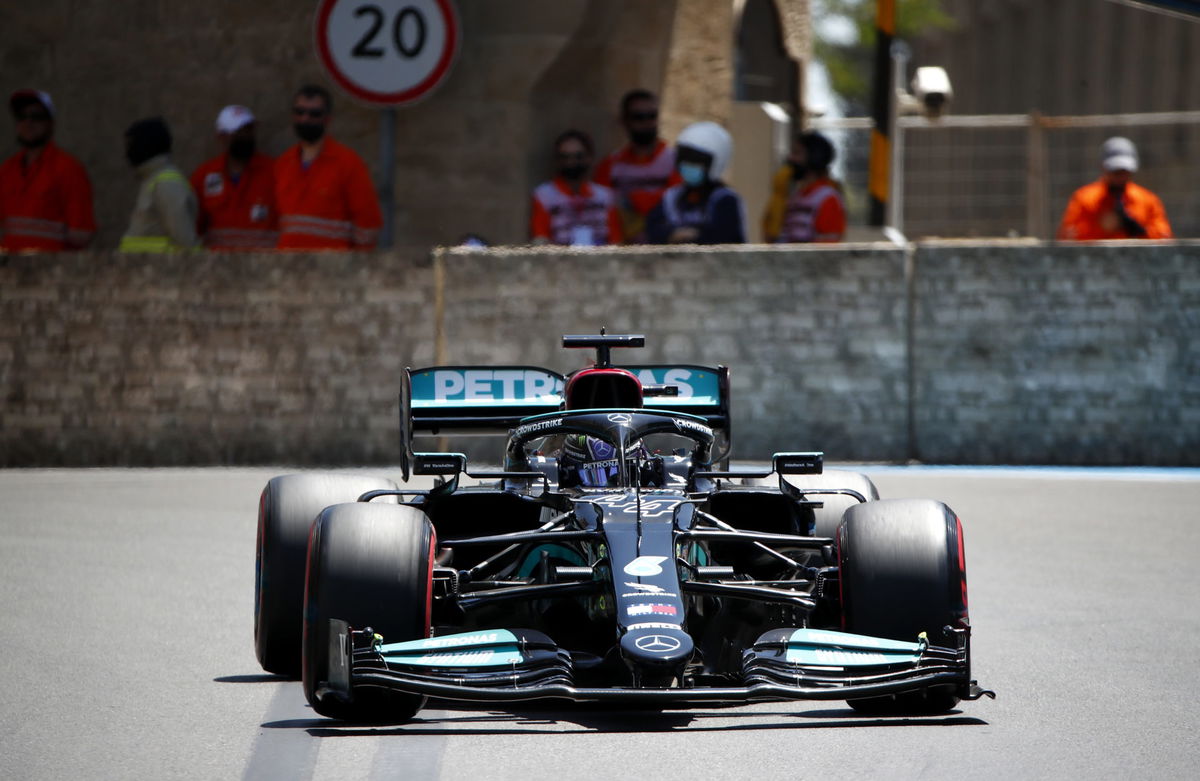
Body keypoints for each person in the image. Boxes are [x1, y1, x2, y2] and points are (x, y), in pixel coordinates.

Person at [274, 85, 382, 250]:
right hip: (287, 268)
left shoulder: (348, 163)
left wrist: (357, 266)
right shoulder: (283, 164)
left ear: (327, 119)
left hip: (331, 269)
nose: (305, 119)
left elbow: (367, 222)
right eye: (300, 112)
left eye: (314, 114)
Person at [0, 89, 95, 251]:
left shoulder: (68, 169)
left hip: (50, 270)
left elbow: (82, 233)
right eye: (22, 117)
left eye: (36, 117)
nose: (28, 123)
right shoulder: (6, 170)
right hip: (9, 269)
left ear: (50, 123)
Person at [593, 89, 681, 243]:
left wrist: (636, 199)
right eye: (638, 117)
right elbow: (602, 210)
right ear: (624, 121)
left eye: (652, 116)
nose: (646, 122)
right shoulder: (610, 166)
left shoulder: (675, 161)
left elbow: (677, 201)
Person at [189, 105, 278, 250]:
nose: (246, 136)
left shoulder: (274, 171)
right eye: (238, 132)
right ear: (222, 136)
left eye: (249, 130)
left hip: (264, 269)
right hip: (217, 268)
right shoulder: (204, 175)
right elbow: (193, 228)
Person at [645, 121, 745, 245]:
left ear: (716, 163)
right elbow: (653, 229)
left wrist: (690, 236)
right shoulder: (672, 197)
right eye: (684, 157)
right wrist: (673, 235)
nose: (688, 164)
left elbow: (722, 237)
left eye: (696, 160)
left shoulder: (725, 199)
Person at [1057, 137, 1172, 241]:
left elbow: (1164, 237)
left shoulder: (1147, 201)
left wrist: (1140, 231)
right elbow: (1067, 238)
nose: (1119, 177)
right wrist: (1103, 228)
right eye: (1115, 172)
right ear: (1103, 168)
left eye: (1124, 172)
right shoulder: (1084, 199)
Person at [529, 129, 622, 246]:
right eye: (564, 157)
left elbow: (616, 241)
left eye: (578, 156)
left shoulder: (604, 196)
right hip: (558, 260)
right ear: (557, 160)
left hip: (601, 260)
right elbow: (540, 240)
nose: (571, 162)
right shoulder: (544, 195)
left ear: (589, 157)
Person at [120, 117, 198, 252]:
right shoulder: (153, 179)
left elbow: (184, 240)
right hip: (145, 269)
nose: (127, 153)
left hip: (158, 271)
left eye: (131, 145)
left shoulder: (166, 183)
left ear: (145, 145)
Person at [762, 130, 845, 243]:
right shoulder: (795, 196)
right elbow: (770, 238)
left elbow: (828, 247)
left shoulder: (827, 198)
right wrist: (778, 196)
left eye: (797, 153)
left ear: (814, 157)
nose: (791, 158)